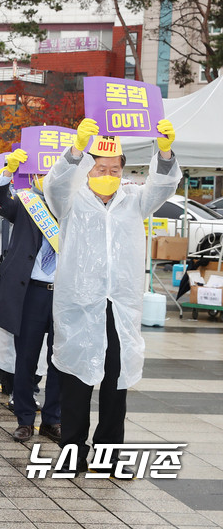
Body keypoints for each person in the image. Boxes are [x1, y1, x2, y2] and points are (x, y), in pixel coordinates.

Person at [44, 118, 180, 473]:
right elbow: (55, 183)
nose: (107, 173)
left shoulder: (134, 201)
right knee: (75, 380)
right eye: (100, 167)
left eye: (114, 168)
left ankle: (108, 454)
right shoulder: (72, 201)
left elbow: (163, 185)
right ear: (88, 170)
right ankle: (72, 451)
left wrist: (164, 152)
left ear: (123, 170)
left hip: (119, 305)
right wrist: (75, 150)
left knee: (115, 383)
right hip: (80, 305)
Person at [0, 148, 62, 444]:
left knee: (61, 360)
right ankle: (25, 419)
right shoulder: (27, 202)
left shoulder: (75, 204)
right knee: (26, 359)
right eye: (42, 174)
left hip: (64, 295)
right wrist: (6, 173)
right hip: (31, 292)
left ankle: (53, 419)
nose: (47, 180)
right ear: (32, 176)